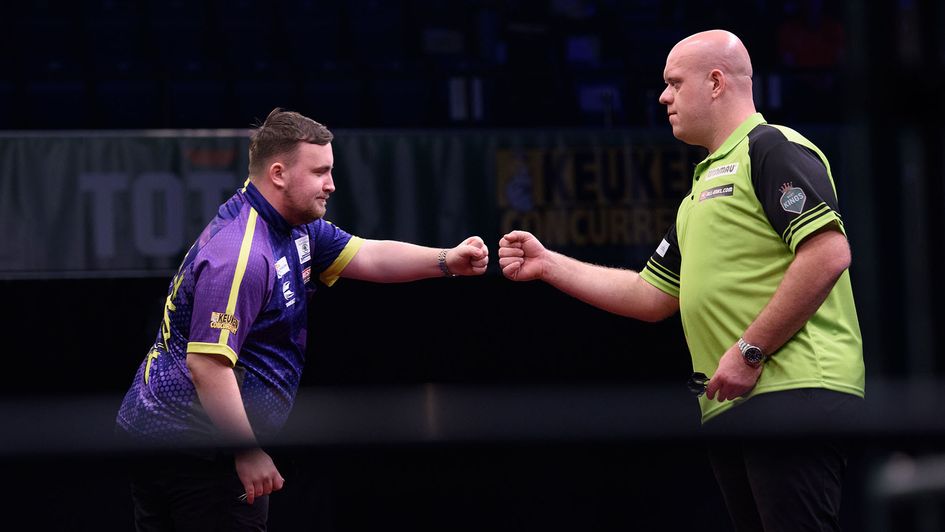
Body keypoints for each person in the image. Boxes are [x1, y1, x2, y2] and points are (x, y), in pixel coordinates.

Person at [498, 30, 864, 532]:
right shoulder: (698, 193)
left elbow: (827, 253)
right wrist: (548, 264)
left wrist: (750, 350)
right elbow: (651, 296)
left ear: (715, 83)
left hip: (790, 389)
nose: (663, 97)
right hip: (736, 400)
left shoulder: (770, 147)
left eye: (673, 83)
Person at [115, 107, 489, 531]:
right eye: (320, 172)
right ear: (278, 173)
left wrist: (447, 260)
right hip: (195, 448)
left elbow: (367, 254)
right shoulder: (241, 255)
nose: (331, 185)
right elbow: (208, 365)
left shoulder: (295, 226)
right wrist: (247, 451)